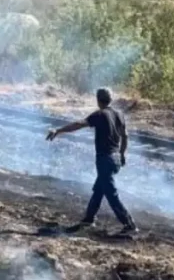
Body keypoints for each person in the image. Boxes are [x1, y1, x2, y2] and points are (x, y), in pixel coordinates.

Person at [46, 87, 137, 234]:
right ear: (110, 99)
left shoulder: (100, 115)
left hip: (104, 159)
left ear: (98, 100)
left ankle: (129, 224)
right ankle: (89, 218)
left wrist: (58, 131)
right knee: (99, 188)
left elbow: (79, 124)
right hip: (115, 159)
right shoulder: (119, 114)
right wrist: (122, 154)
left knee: (110, 193)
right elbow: (125, 136)